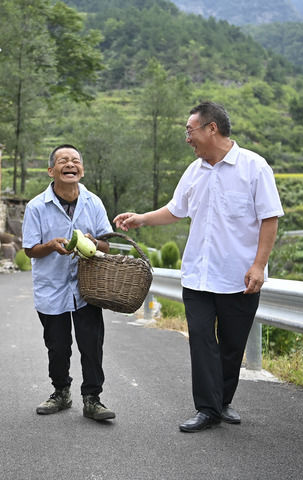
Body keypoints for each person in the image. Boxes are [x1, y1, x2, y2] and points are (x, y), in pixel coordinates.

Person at [114, 101, 283, 432]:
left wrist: (259, 265)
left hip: (239, 278)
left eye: (190, 130)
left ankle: (222, 401)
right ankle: (207, 409)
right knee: (202, 342)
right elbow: (176, 209)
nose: (187, 138)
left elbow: (270, 218)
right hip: (198, 277)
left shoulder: (254, 167)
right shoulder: (194, 171)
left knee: (232, 347)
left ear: (211, 128)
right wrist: (141, 219)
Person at [22, 144, 116, 421]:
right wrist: (50, 246)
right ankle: (61, 392)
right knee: (58, 347)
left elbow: (106, 244)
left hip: (87, 288)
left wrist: (93, 242)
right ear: (51, 170)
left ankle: (92, 399)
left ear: (82, 170)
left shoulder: (93, 202)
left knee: (91, 345)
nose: (70, 164)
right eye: (63, 160)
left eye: (75, 160)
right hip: (52, 288)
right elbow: (30, 249)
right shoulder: (36, 206)